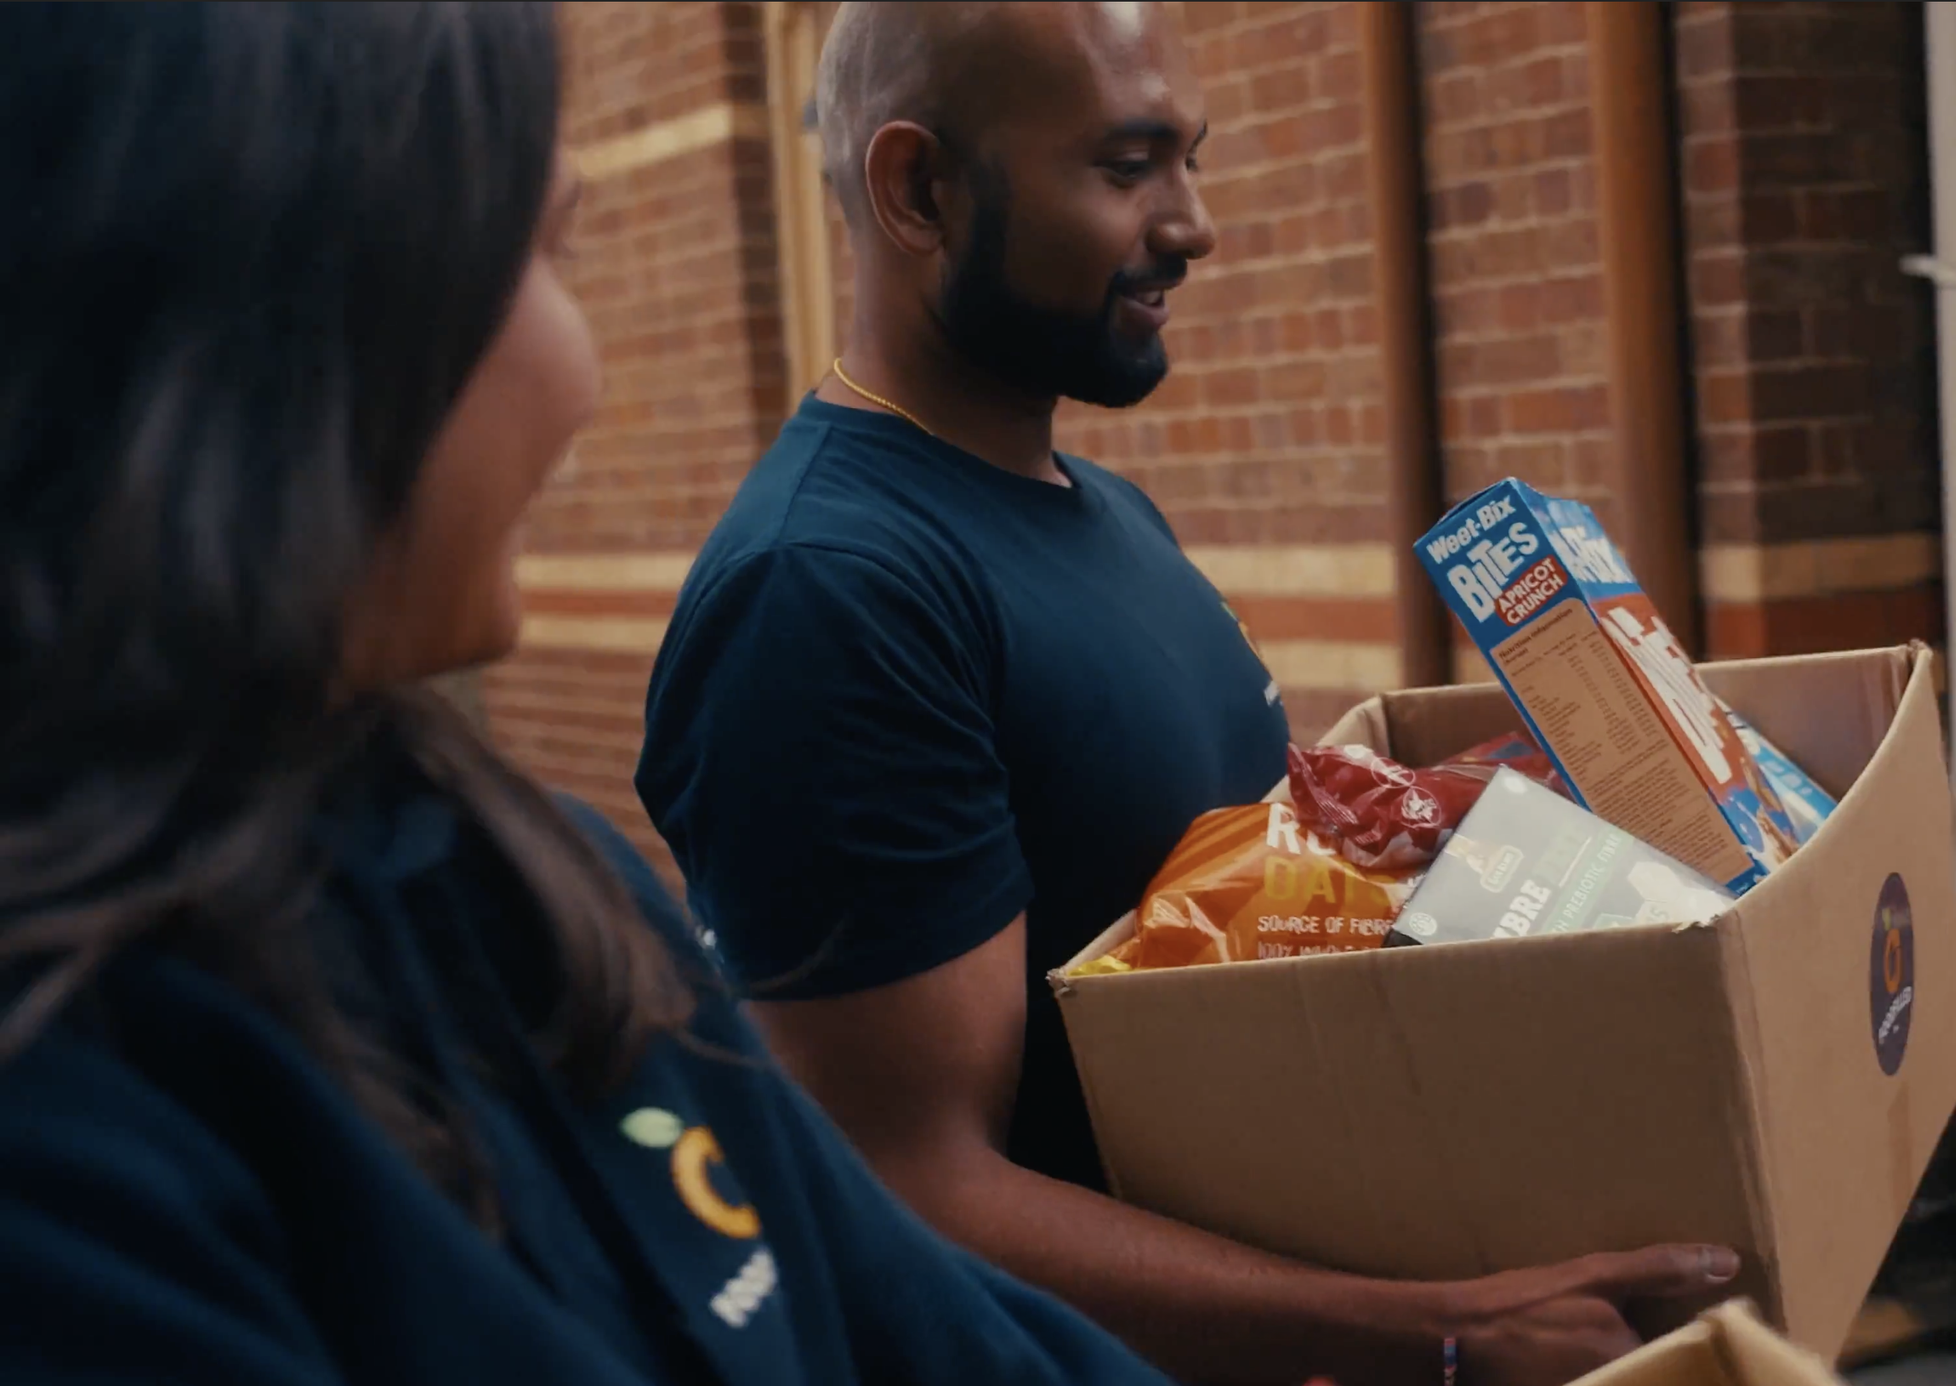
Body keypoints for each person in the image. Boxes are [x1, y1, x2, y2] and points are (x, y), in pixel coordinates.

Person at [0, 5, 1187, 1383]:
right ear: (266, 325)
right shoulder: (72, 1150)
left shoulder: (524, 880)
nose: (584, 377)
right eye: (546, 253)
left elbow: (926, 1322)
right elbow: (925, 1182)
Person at [634, 5, 1741, 1384]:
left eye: (1193, 159)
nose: (1194, 223)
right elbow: (898, 1184)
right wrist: (1446, 1328)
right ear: (918, 187)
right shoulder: (829, 591)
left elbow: (1227, 930)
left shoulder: (1107, 513)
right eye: (1127, 165)